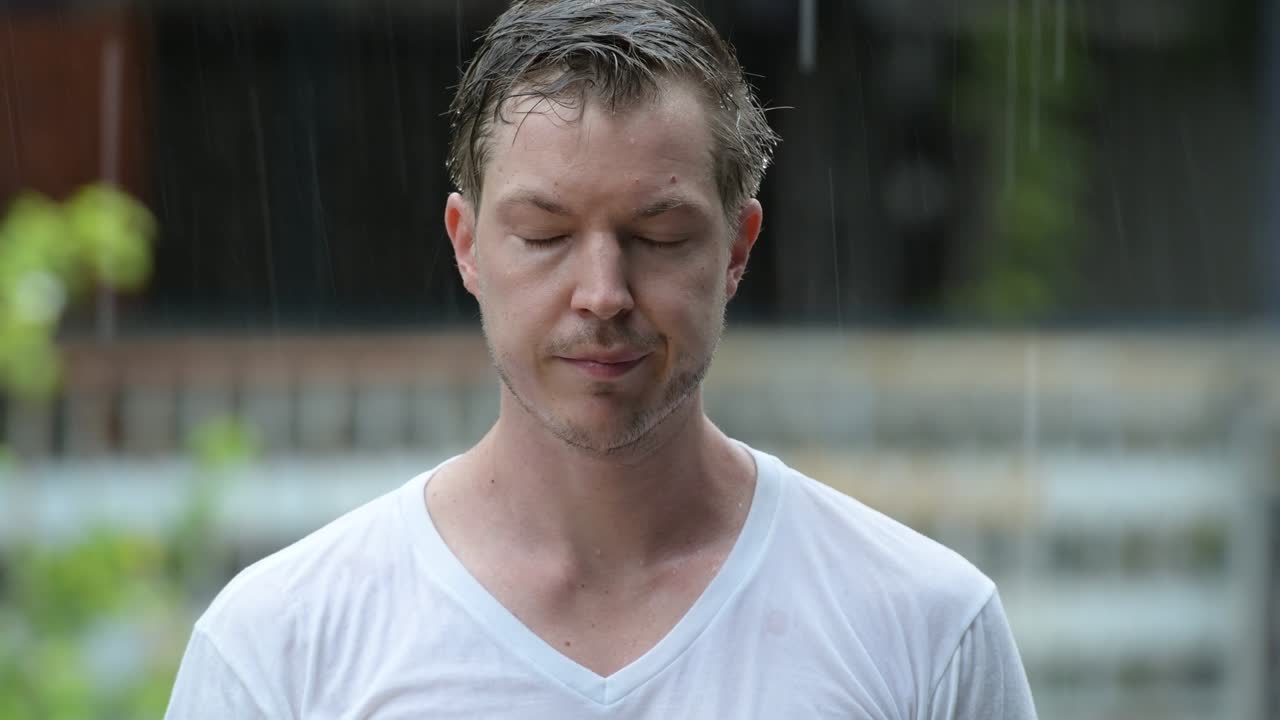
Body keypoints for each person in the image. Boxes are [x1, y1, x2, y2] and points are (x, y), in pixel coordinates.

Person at [165, 0, 1038, 717]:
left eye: (658, 236)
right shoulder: (284, 642)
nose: (603, 292)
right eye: (544, 235)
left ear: (738, 248)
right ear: (466, 246)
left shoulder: (923, 625)